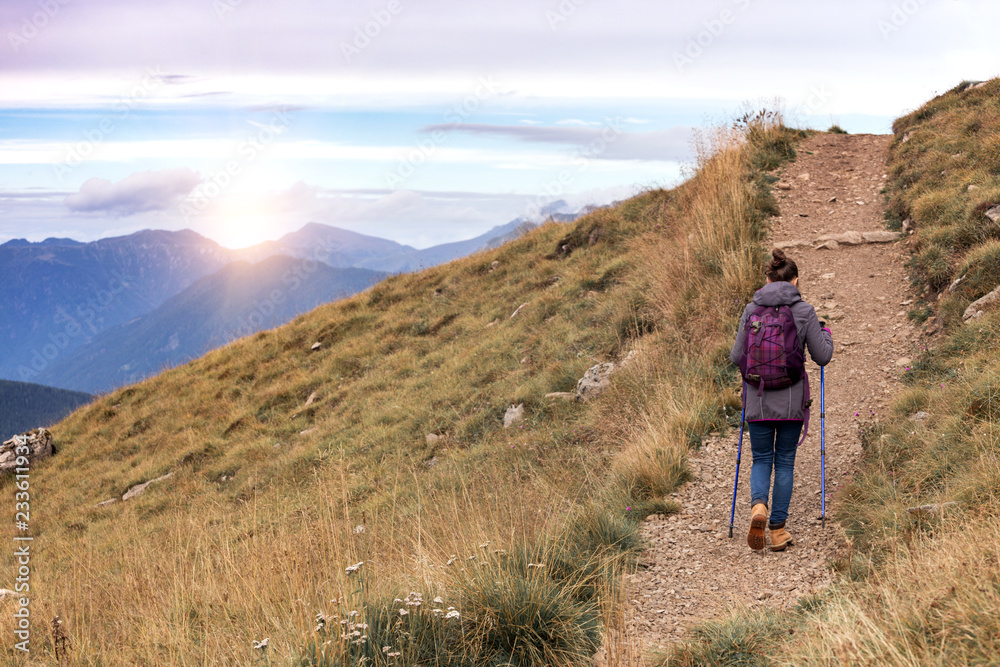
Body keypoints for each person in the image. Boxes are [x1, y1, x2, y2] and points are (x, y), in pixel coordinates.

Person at [730, 248, 833, 551]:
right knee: (784, 461)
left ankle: (758, 507)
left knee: (761, 458)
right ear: (796, 280)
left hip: (757, 398)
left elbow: (736, 356)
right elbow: (822, 356)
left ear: (766, 278)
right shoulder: (804, 311)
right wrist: (824, 333)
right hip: (791, 400)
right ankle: (777, 530)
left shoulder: (751, 310)